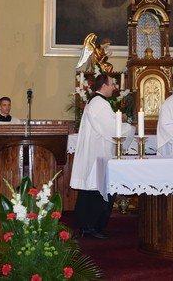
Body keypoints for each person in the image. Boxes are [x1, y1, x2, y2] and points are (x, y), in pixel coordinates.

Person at [70, 74, 133, 239]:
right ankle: (91, 226)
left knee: (93, 191)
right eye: (111, 84)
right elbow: (111, 129)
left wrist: (119, 120)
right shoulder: (99, 104)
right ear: (103, 85)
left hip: (97, 153)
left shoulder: (97, 102)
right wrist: (128, 127)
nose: (114, 87)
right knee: (96, 191)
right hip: (98, 154)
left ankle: (89, 226)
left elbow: (106, 124)